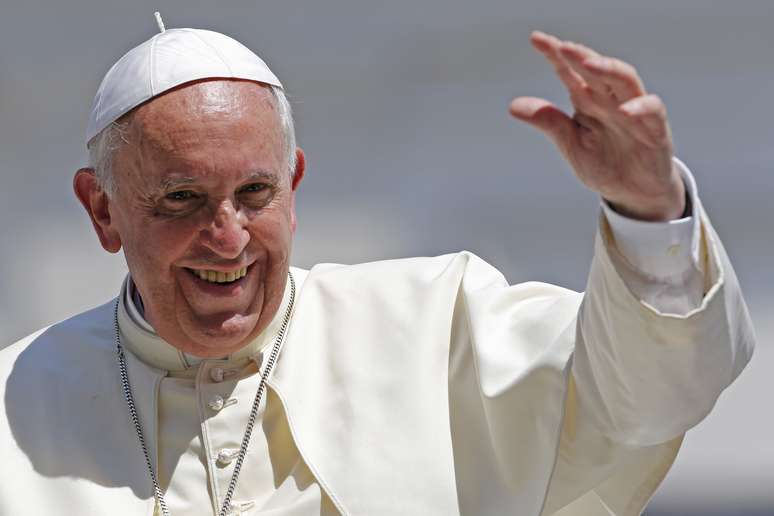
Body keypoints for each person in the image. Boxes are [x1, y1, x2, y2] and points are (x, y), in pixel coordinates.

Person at [0, 17, 755, 516]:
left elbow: (654, 395)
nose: (226, 237)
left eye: (254, 193)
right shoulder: (13, 410)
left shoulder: (438, 324)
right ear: (102, 211)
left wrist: (649, 211)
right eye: (182, 199)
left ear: (293, 186)